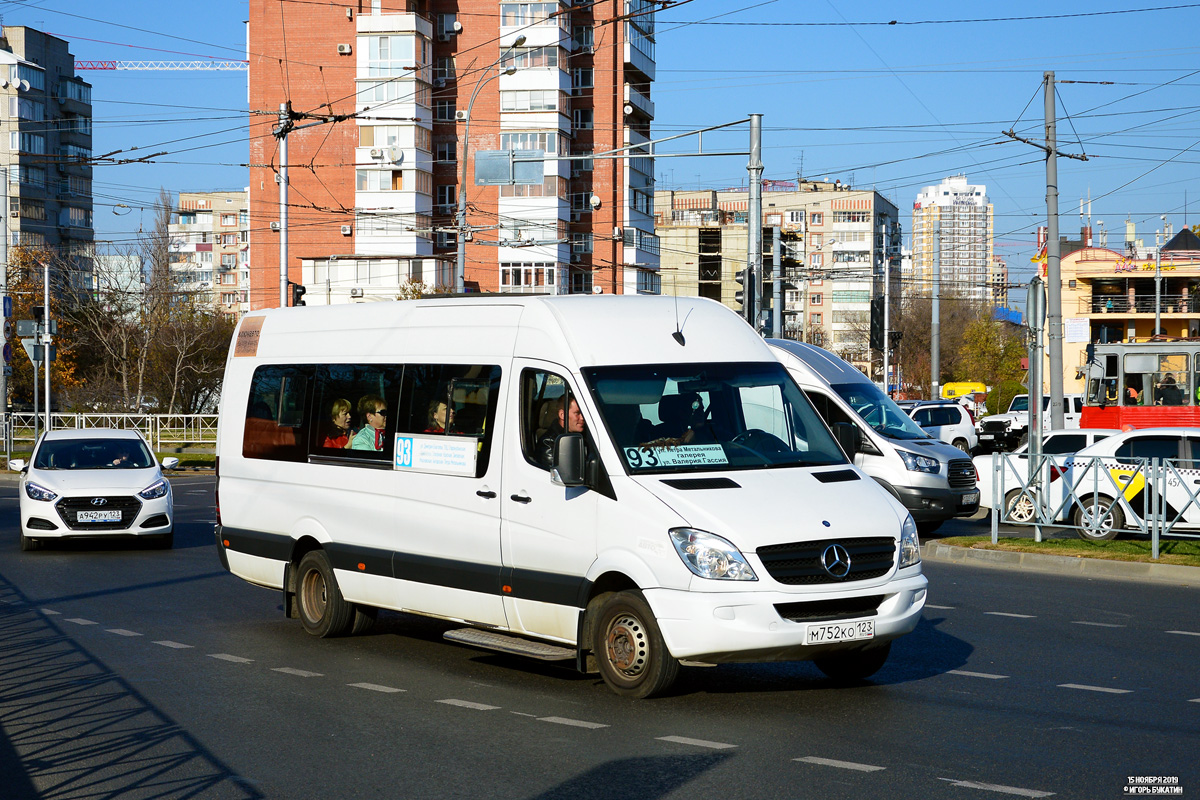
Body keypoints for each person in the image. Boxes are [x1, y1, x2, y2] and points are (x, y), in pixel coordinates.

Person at [536, 395, 584, 469]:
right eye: (577, 413)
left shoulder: (586, 436)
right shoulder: (548, 444)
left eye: (583, 413)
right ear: (562, 415)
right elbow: (558, 475)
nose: (582, 418)